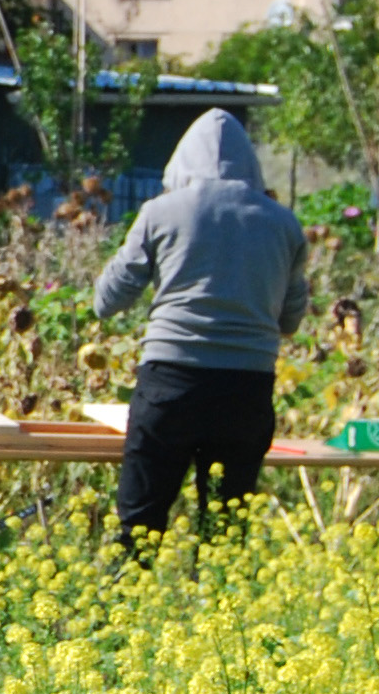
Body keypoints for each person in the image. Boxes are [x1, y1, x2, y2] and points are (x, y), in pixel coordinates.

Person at [88, 106, 311, 540]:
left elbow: (106, 301)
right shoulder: (284, 223)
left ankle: (133, 583)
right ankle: (218, 583)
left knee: (139, 527)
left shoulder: (161, 212)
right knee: (224, 532)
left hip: (169, 384)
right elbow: (290, 320)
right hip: (247, 390)